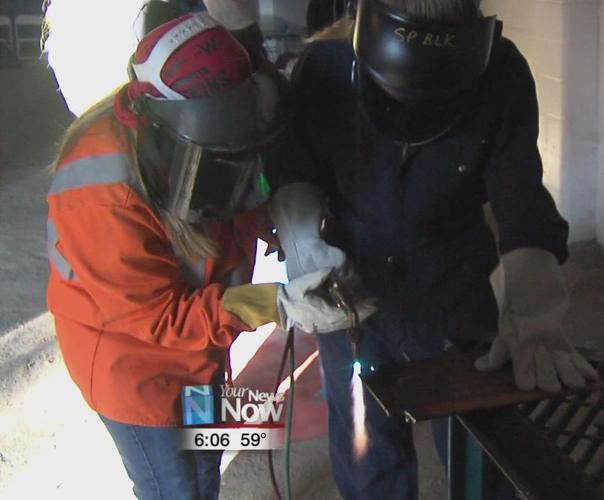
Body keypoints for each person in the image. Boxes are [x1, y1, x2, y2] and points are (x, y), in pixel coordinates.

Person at [268, 0, 603, 497]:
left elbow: (520, 196)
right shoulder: (326, 67)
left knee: (482, 452)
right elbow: (296, 171)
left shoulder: (500, 69)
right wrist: (306, 256)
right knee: (368, 456)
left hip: (456, 284)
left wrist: (534, 308)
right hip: (353, 292)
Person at [44, 11, 371, 499]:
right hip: (137, 368)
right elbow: (159, 320)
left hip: (206, 349)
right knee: (176, 486)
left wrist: (294, 232)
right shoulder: (100, 192)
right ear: (170, 131)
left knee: (205, 462)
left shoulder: (218, 131)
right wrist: (275, 303)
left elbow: (239, 192)